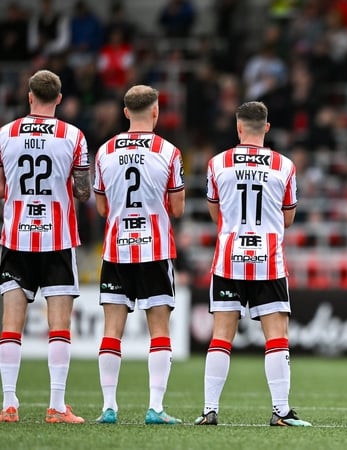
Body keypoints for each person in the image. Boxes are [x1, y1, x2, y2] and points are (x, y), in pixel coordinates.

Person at [194, 101, 311, 427]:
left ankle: (209, 410)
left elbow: (215, 213)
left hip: (229, 258)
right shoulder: (284, 165)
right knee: (276, 335)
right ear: (267, 128)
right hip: (268, 260)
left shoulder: (217, 163)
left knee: (221, 335)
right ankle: (281, 411)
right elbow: (288, 219)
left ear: (238, 127)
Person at [0, 69, 91, 423]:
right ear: (59, 98)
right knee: (59, 325)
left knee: (11, 324)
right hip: (58, 238)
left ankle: (9, 404)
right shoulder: (73, 136)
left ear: (29, 96)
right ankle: (56, 406)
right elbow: (83, 192)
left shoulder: (5, 134)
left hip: (16, 238)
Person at [93, 85, 185, 424]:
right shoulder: (169, 152)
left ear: (126, 111)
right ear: (157, 112)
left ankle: (108, 407)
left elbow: (102, 207)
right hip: (155, 249)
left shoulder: (104, 151)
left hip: (117, 249)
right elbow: (177, 208)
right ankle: (156, 408)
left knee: (111, 329)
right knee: (159, 328)